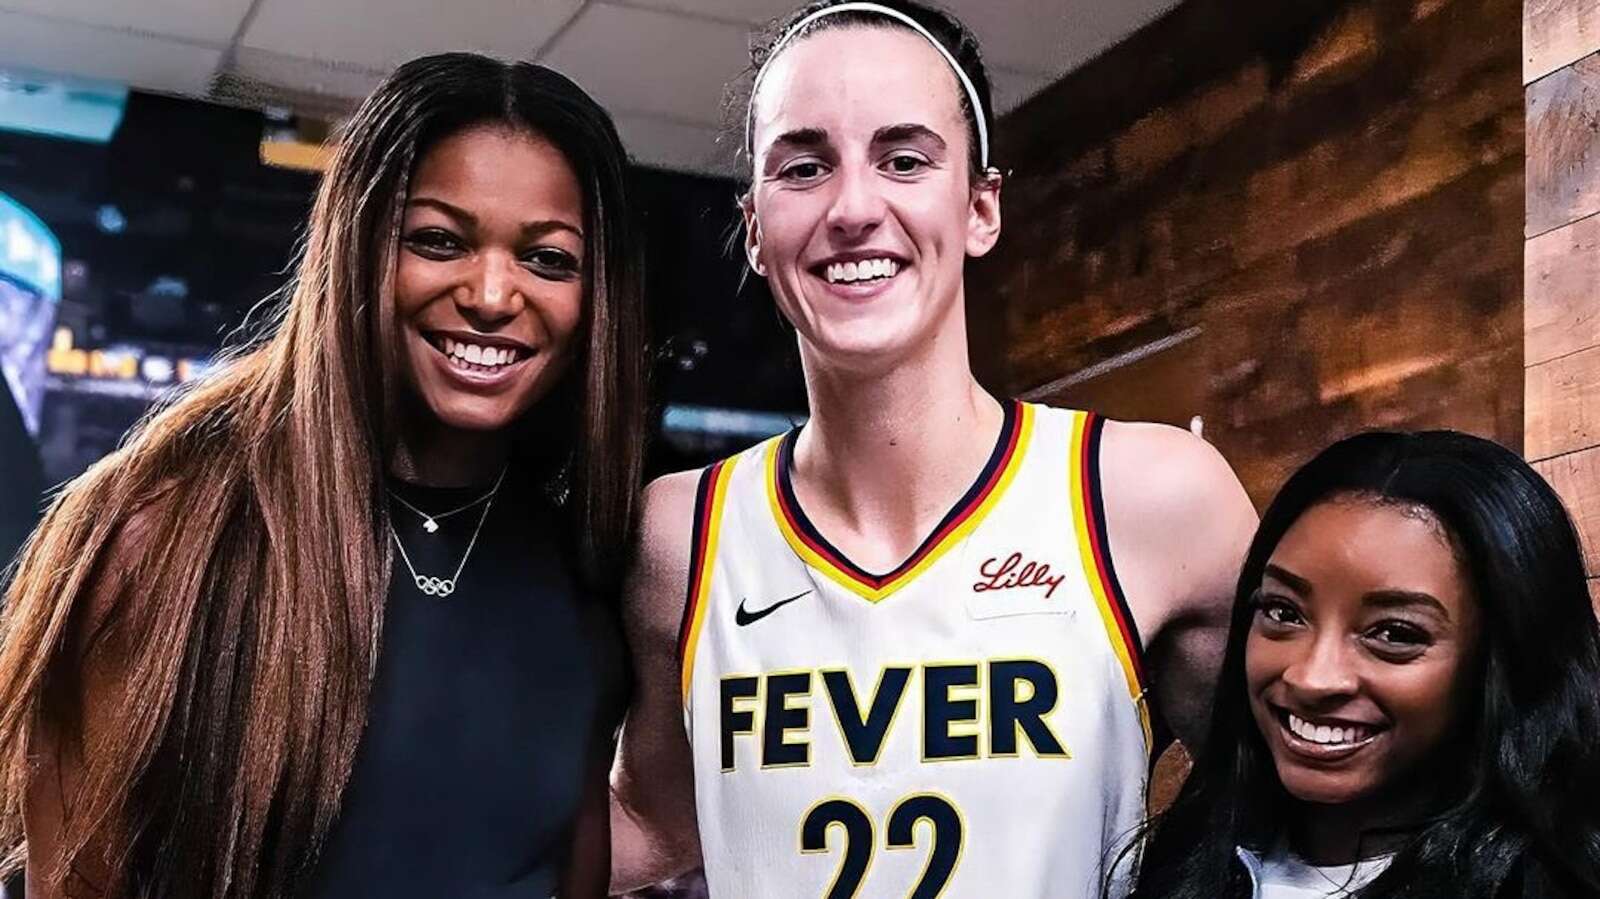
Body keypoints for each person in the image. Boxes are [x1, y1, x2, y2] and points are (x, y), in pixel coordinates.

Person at [609, 2, 1258, 896]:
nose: (853, 208)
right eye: (804, 167)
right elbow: (655, 822)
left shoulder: (1151, 498)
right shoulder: (680, 534)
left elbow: (1298, 819)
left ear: (981, 206)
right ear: (756, 227)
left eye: (904, 159)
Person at [0, 53, 646, 899]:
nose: (493, 293)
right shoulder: (163, 540)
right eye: (438, 241)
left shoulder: (592, 581)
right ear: (356, 251)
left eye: (549, 259)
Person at [1123, 430, 1600, 898]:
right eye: (1283, 612)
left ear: (1505, 659)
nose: (1312, 677)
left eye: (1394, 634)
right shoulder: (1189, 860)